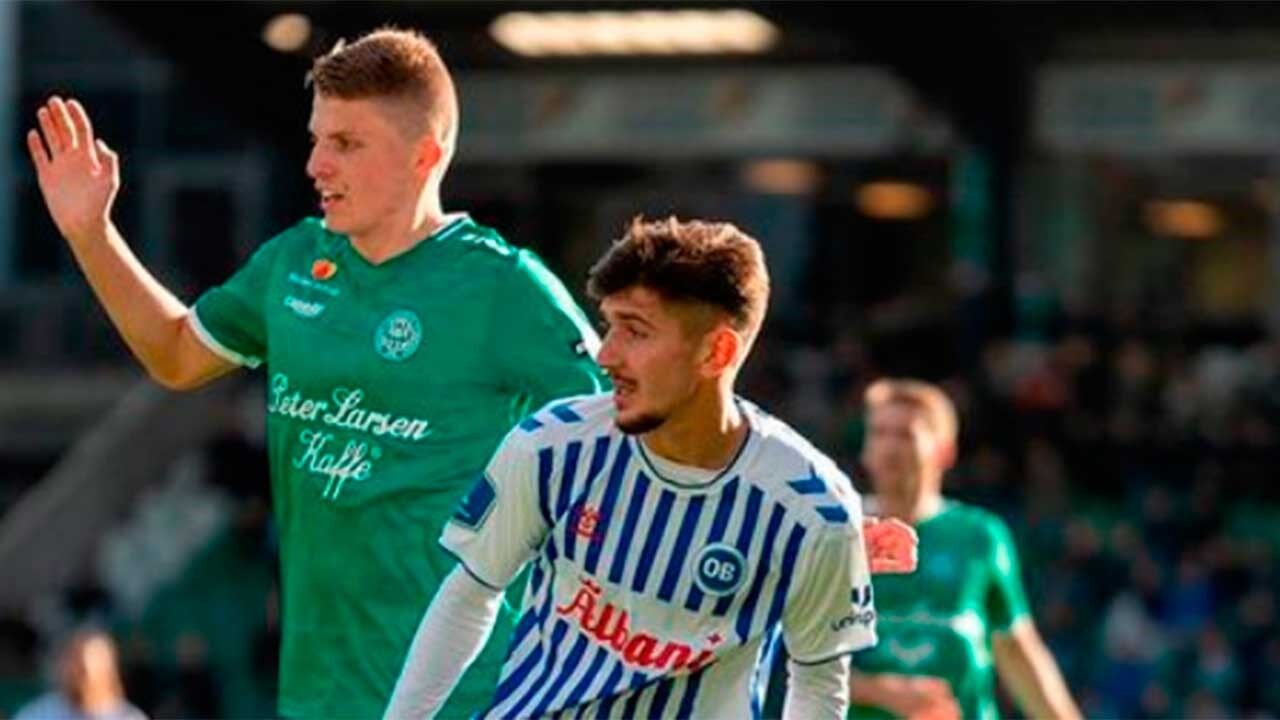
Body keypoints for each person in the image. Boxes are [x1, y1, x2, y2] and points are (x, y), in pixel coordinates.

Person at [26, 28, 606, 719]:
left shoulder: (505, 288)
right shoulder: (293, 263)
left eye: (346, 143)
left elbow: (620, 431)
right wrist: (91, 234)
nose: (315, 165)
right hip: (317, 698)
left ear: (424, 155)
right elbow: (176, 356)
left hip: (467, 700)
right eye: (316, 139)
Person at [385, 216, 917, 720]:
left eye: (635, 331)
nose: (606, 355)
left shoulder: (811, 509)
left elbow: (818, 684)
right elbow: (470, 594)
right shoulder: (551, 444)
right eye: (609, 326)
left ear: (716, 352)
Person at [849, 379, 1081, 720]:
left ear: (945, 451)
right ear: (865, 449)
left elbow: (1015, 648)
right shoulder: (837, 534)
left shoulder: (978, 536)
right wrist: (883, 692)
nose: (890, 447)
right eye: (879, 433)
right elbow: (794, 660)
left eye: (905, 435)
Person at [14, 629, 145, 720]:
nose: (76, 675)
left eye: (83, 670)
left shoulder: (128, 717)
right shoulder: (39, 713)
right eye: (73, 664)